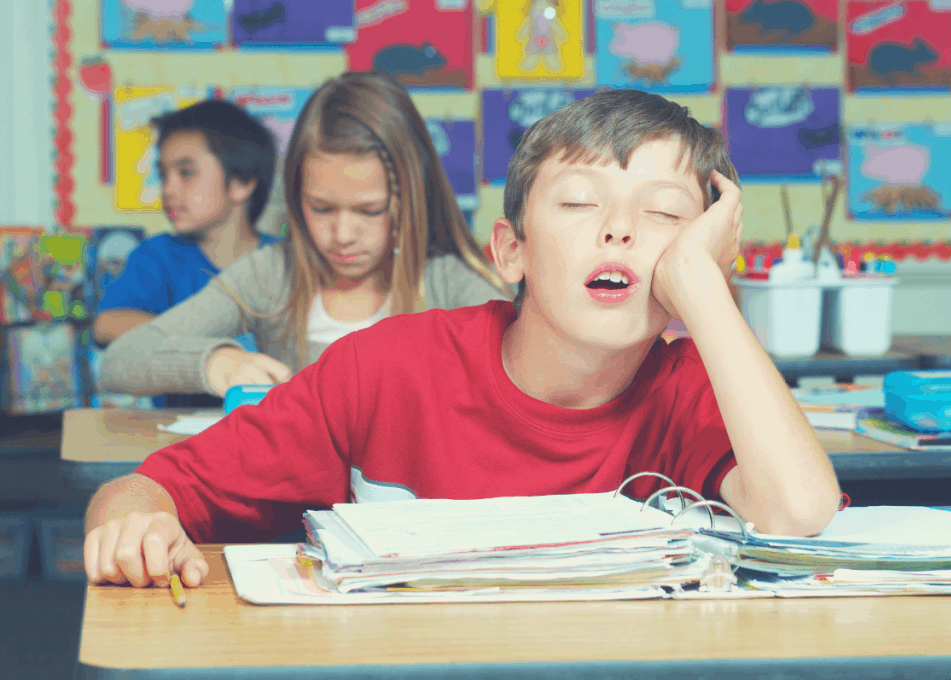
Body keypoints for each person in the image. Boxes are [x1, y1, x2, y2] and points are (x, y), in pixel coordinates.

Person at [84, 89, 841, 590]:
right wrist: (130, 528)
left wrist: (703, 293)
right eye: (579, 202)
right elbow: (141, 490)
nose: (619, 228)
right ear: (509, 251)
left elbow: (800, 511)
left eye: (666, 218)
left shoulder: (686, 387)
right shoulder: (380, 368)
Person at [97, 72, 511, 399]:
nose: (343, 235)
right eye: (322, 208)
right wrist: (214, 362)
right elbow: (120, 361)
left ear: (410, 198)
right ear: (295, 198)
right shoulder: (270, 275)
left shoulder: (446, 281)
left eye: (370, 210)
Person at [92, 99, 280, 407]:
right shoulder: (157, 256)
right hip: (178, 430)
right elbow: (106, 325)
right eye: (163, 174)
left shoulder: (285, 260)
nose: (168, 189)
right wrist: (207, 344)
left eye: (186, 172)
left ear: (241, 183)